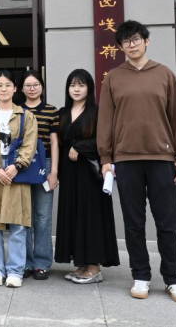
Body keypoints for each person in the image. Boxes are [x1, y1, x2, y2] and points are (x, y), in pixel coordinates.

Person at [98, 20, 176, 303]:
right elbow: (105, 120)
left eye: (136, 39)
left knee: (166, 223)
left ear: (146, 41)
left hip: (161, 158)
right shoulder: (113, 78)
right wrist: (106, 157)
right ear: (121, 47)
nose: (132, 45)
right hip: (126, 160)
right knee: (134, 224)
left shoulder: (164, 74)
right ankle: (140, 276)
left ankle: (173, 279)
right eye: (126, 41)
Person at [54, 69, 119, 283]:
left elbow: (106, 140)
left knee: (90, 217)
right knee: (74, 215)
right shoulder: (63, 112)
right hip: (69, 173)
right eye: (73, 85)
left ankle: (94, 267)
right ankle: (82, 264)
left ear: (89, 88)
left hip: (89, 174)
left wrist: (80, 147)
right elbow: (59, 142)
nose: (76, 89)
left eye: (81, 85)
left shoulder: (97, 112)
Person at [0, 70, 38, 288]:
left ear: (15, 88)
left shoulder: (25, 116)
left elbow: (30, 144)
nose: (4, 89)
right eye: (0, 85)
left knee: (18, 224)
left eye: (8, 85)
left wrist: (17, 166)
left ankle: (15, 271)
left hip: (16, 172)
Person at [20, 70, 60, 281]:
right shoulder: (17, 110)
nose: (32, 88)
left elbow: (54, 142)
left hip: (45, 164)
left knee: (43, 217)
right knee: (24, 216)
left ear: (42, 87)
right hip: (22, 165)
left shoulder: (51, 111)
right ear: (21, 88)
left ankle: (42, 263)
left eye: (36, 84)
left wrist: (54, 172)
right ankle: (26, 262)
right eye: (28, 85)